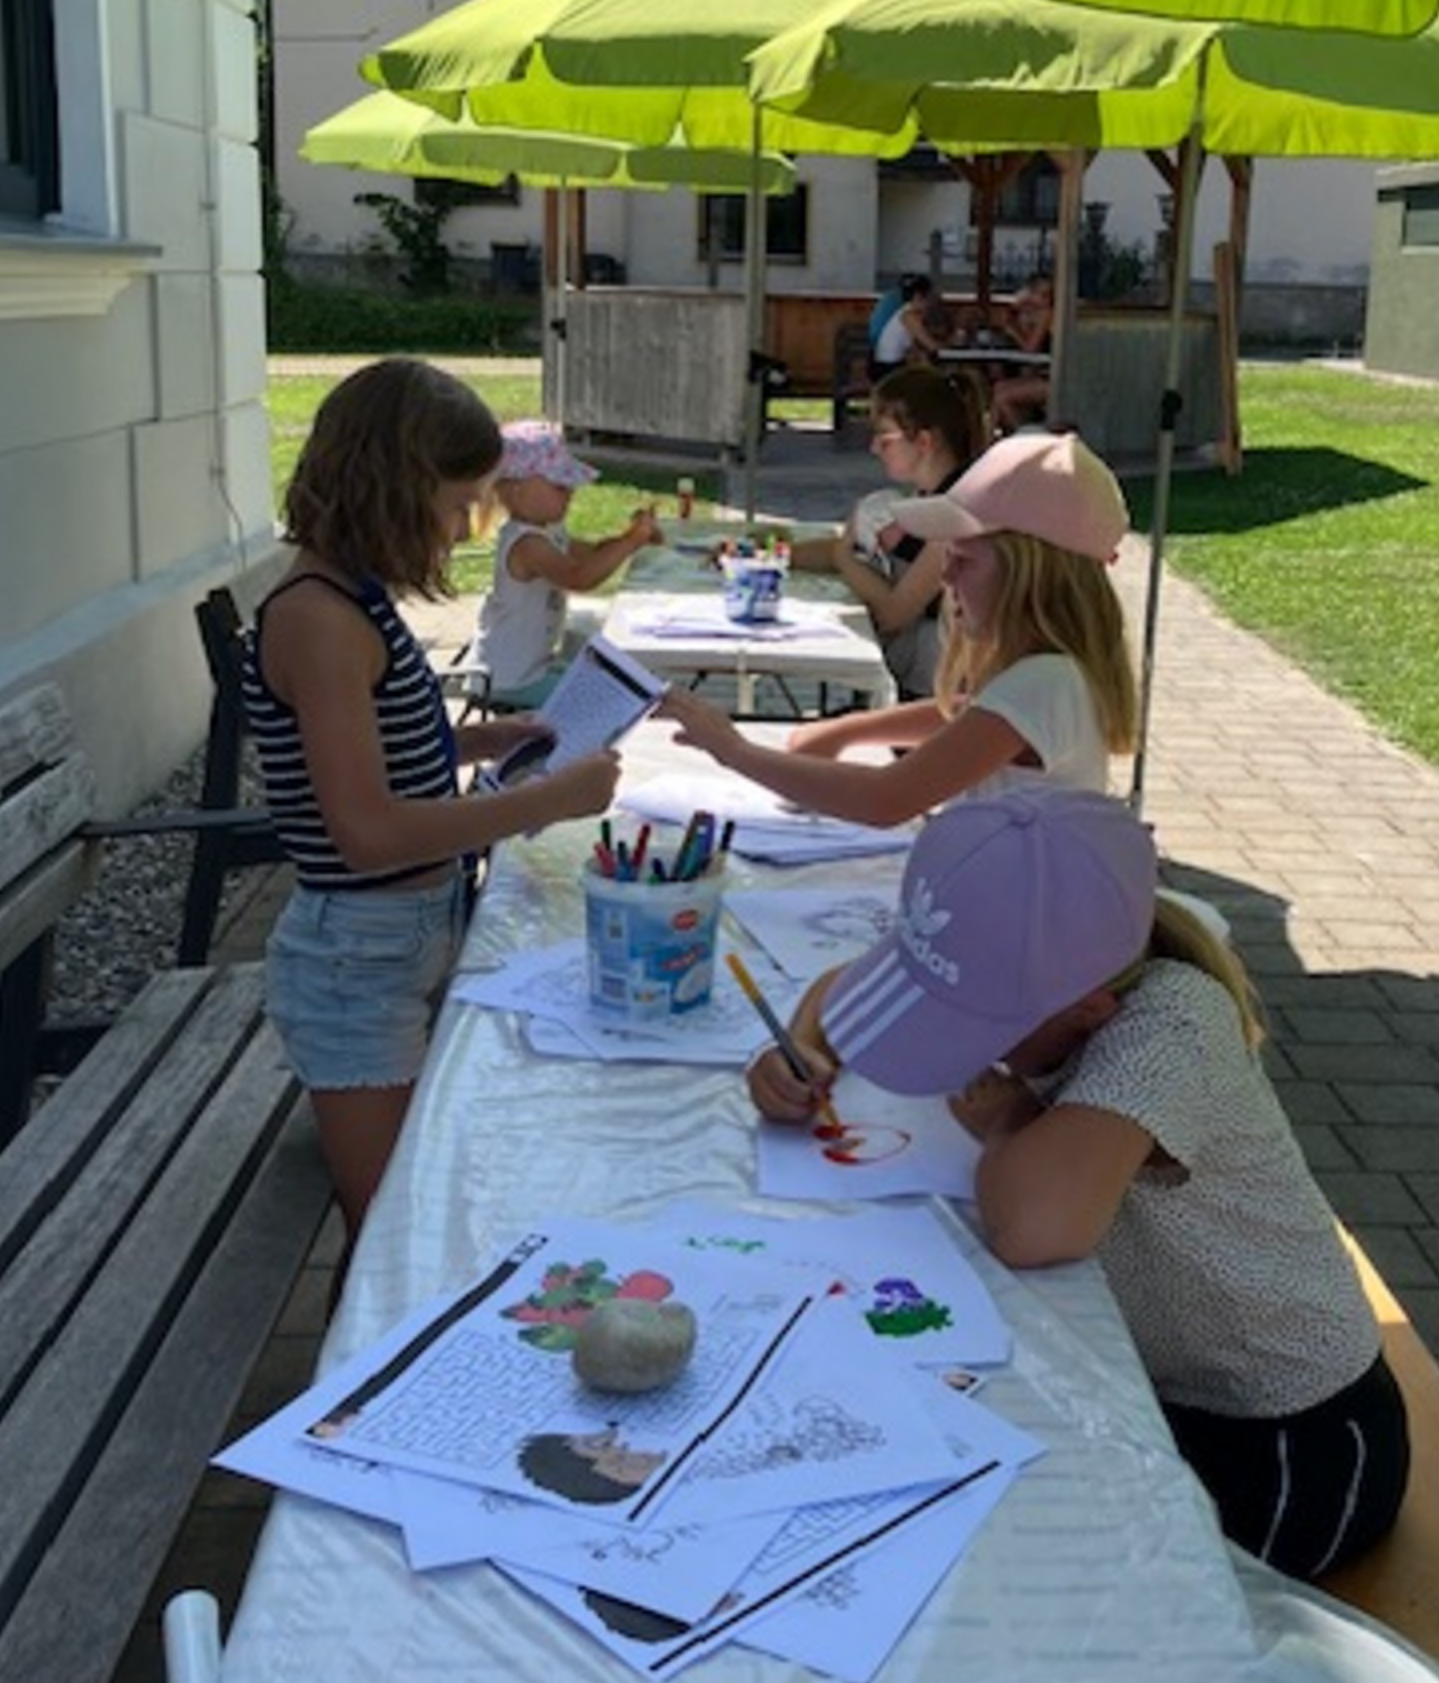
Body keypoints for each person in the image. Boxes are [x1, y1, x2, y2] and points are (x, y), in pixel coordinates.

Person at [748, 789, 1411, 1683]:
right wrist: (797, 1057)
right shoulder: (1065, 970)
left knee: (1023, 1616)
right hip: (1155, 1391)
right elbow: (841, 998)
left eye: (975, 1019)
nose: (954, 1040)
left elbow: (1033, 1221)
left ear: (1089, 1005)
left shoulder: (1172, 1021)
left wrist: (1010, 1124)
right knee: (957, 1528)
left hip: (1293, 1440)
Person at [242, 361, 621, 1243]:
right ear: (395, 488)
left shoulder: (354, 599)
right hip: (356, 967)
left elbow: (362, 753)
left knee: (423, 1190)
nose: (461, 529)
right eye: (457, 506)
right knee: (391, 1231)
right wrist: (549, 800)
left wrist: (481, 743)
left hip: (401, 940)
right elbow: (367, 831)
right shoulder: (319, 620)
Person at [661, 430, 1136, 825]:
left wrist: (733, 750)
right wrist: (846, 730)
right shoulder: (1048, 677)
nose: (946, 578)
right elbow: (967, 716)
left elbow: (885, 799)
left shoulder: (1042, 683)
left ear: (1032, 577)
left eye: (965, 560)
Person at [791, 364, 989, 700]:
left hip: (948, 695)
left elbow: (893, 614)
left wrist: (843, 557)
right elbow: (852, 548)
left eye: (884, 437)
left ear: (924, 441)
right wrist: (770, 554)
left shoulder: (958, 516)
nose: (874, 448)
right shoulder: (930, 497)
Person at [468, 420, 662, 706]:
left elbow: (590, 554)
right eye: (559, 486)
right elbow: (579, 577)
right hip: (508, 679)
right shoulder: (526, 543)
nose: (570, 492)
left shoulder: (548, 531)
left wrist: (629, 538)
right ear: (518, 491)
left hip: (532, 668)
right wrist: (631, 541)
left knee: (609, 677)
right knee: (607, 700)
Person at [990, 275, 1055, 436]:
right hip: (1036, 374)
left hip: (1052, 379)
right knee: (997, 389)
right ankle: (995, 439)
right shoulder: (1028, 314)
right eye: (1039, 294)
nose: (1043, 299)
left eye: (1047, 295)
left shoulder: (1047, 314)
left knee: (1002, 397)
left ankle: (1025, 438)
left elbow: (1030, 350)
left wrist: (1013, 331)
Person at [872, 272, 952, 375]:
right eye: (929, 298)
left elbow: (916, 347)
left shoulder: (907, 311)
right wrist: (951, 344)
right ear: (919, 297)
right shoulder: (910, 317)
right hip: (887, 368)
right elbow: (932, 346)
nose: (930, 303)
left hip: (894, 364)